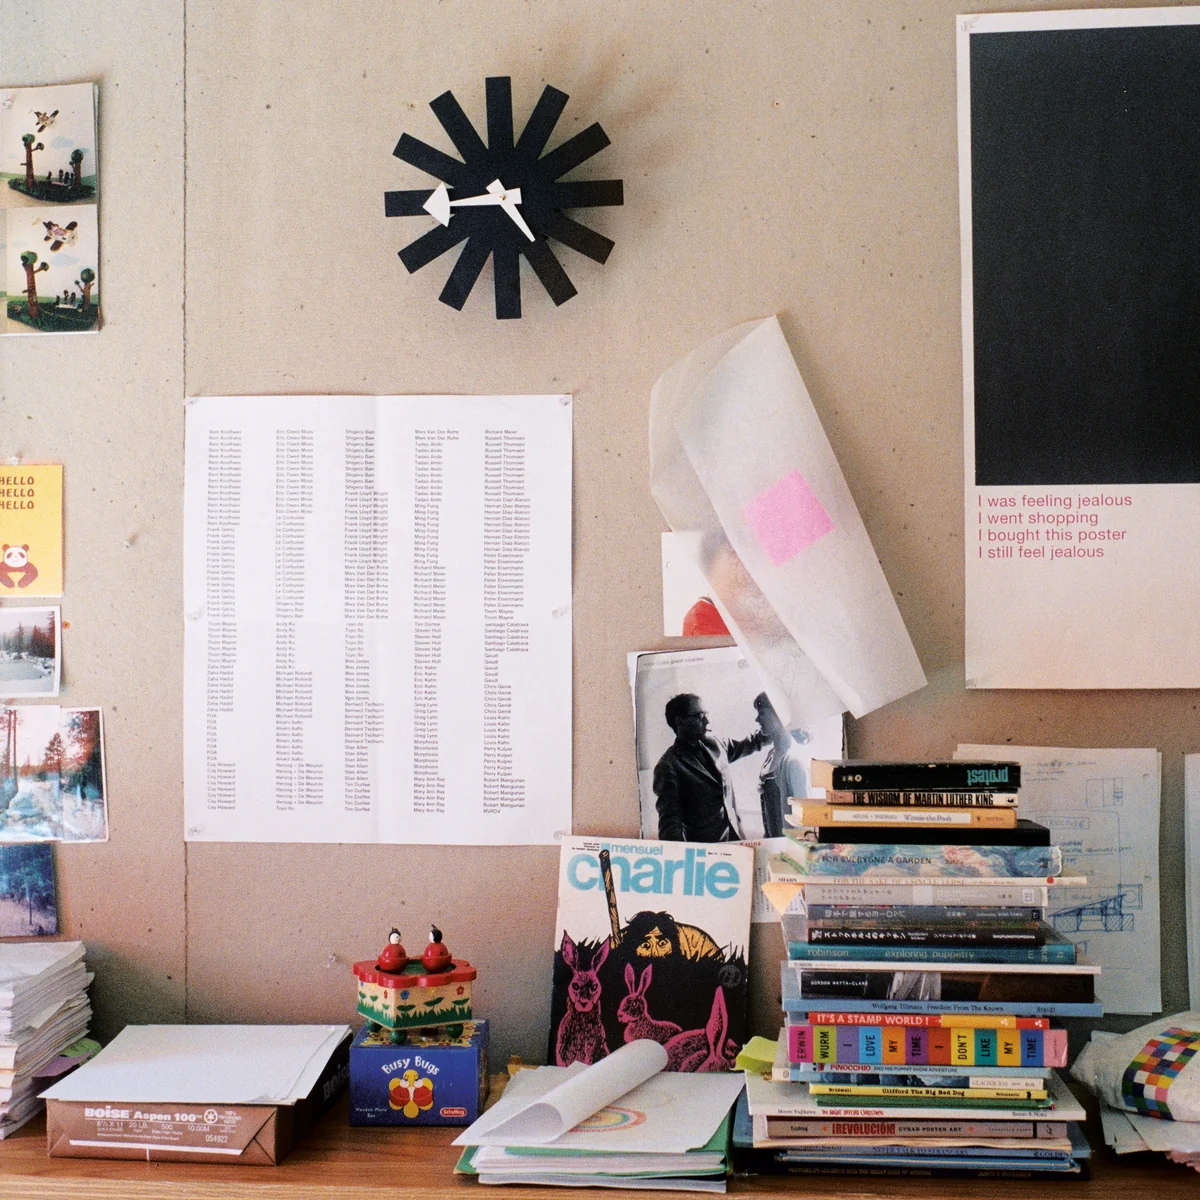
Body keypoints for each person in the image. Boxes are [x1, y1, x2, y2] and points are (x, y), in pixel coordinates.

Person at [652, 693, 764, 842]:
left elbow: (752, 743)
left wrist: (777, 727)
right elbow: (670, 825)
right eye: (700, 716)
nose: (707, 721)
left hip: (737, 838)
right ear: (680, 721)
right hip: (706, 849)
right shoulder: (668, 766)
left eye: (706, 715)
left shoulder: (716, 744)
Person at [752, 691, 810, 838]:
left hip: (789, 845)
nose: (757, 719)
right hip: (773, 844)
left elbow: (805, 819)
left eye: (762, 713)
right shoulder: (770, 756)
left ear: (779, 714)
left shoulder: (794, 761)